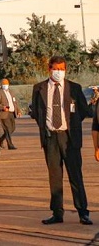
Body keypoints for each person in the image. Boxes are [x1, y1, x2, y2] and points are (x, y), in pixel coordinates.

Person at [31, 55, 91, 225]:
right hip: (51, 138)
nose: (59, 72)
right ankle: (57, 213)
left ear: (66, 70)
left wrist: (71, 125)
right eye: (55, 69)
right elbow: (36, 112)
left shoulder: (74, 88)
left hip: (69, 139)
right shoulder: (39, 88)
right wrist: (48, 127)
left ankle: (83, 212)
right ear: (49, 69)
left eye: (62, 69)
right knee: (55, 177)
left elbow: (84, 111)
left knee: (75, 176)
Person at [0, 78, 20, 149]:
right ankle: (10, 145)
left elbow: (15, 102)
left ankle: (0, 140)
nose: (5, 85)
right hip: (3, 114)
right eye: (4, 84)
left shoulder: (11, 92)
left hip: (12, 113)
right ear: (1, 84)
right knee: (7, 129)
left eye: (6, 84)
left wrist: (18, 110)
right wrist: (2, 107)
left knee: (12, 128)